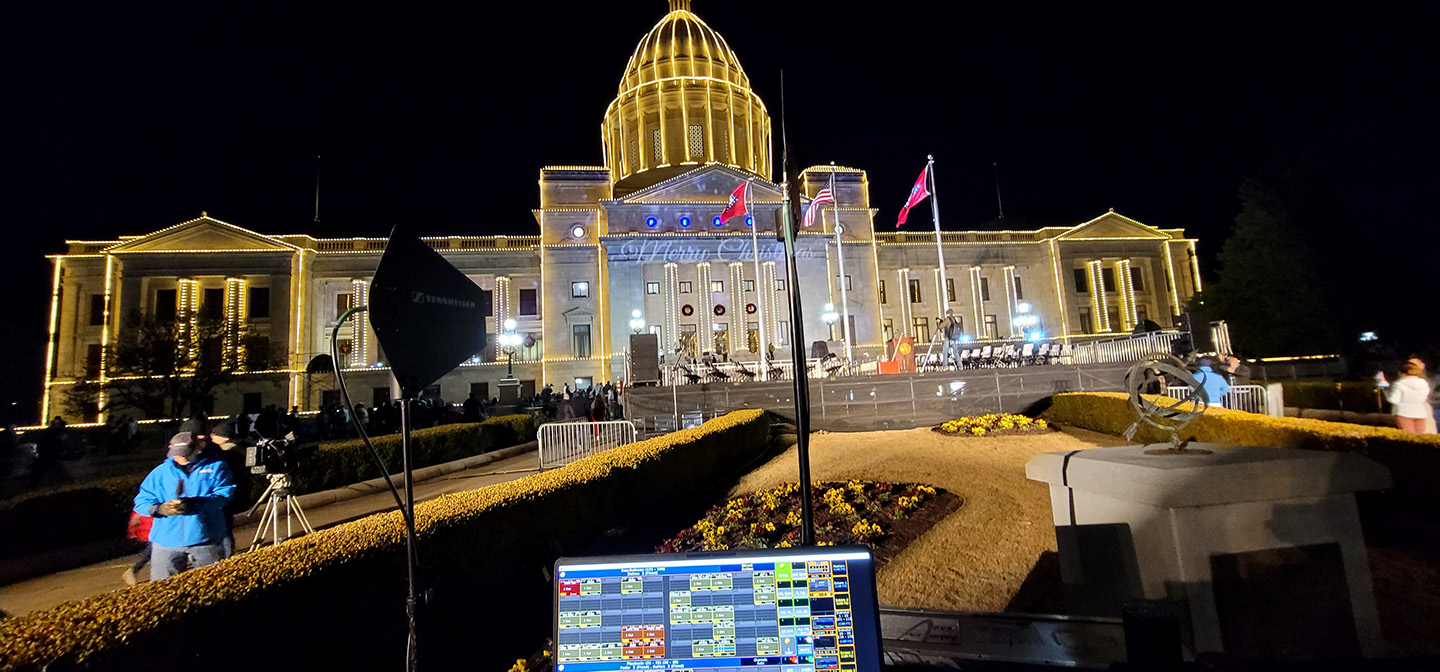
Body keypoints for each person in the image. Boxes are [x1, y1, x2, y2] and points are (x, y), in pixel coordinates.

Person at [133, 431, 236, 579]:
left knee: (210, 585)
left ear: (197, 448)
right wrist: (158, 509)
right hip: (166, 540)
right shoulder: (160, 473)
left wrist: (197, 504)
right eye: (177, 452)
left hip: (206, 538)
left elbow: (224, 494)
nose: (181, 456)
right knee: (163, 590)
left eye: (186, 452)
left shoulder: (216, 467)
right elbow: (142, 500)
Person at [1378, 360, 1433, 434]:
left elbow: (1393, 400)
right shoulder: (1424, 383)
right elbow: (1425, 397)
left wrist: (1384, 387)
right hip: (1420, 412)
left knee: (1409, 436)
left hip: (1403, 412)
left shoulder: (1399, 384)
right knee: (1420, 436)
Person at [27, 417, 68, 488]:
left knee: (40, 471)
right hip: (48, 455)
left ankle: (33, 485)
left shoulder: (50, 432)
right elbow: (52, 444)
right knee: (43, 470)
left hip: (47, 455)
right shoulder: (53, 434)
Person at [122, 507, 153, 585]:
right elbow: (134, 521)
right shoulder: (143, 507)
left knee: (151, 553)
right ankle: (132, 570)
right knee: (149, 553)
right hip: (148, 535)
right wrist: (132, 533)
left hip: (153, 533)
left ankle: (132, 571)